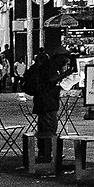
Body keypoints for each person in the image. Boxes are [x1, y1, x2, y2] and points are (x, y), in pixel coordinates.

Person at [24, 43, 69, 175]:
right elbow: (51, 80)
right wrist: (66, 73)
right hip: (47, 103)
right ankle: (48, 155)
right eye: (64, 58)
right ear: (58, 57)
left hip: (44, 102)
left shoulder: (50, 66)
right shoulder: (50, 66)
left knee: (44, 128)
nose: (66, 60)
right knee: (49, 129)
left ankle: (44, 153)